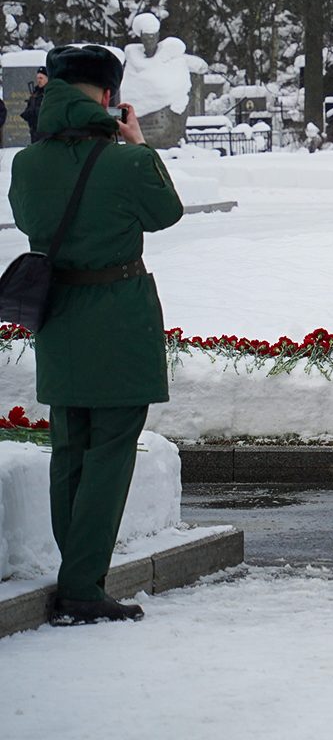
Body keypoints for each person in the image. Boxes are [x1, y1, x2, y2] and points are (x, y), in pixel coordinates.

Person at [7, 44, 184, 624]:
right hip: (119, 318)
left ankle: (76, 569)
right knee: (110, 453)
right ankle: (82, 586)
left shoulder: (27, 163)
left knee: (69, 449)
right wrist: (137, 145)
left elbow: (34, 220)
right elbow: (167, 214)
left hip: (58, 317)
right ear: (109, 95)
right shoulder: (125, 161)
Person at [24, 66, 48, 142]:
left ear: (47, 78)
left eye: (41, 78)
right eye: (37, 78)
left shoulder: (50, 93)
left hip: (46, 133)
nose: (38, 80)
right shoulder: (35, 92)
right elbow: (30, 107)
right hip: (35, 132)